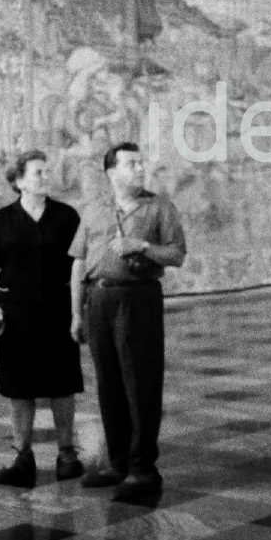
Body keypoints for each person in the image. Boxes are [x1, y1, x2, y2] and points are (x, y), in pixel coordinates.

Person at [69, 142, 187, 502]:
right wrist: (76, 312)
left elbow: (177, 255)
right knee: (109, 384)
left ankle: (143, 469)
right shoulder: (94, 210)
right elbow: (78, 261)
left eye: (140, 163)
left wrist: (141, 246)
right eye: (131, 164)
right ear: (112, 173)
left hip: (138, 299)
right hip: (99, 298)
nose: (139, 169)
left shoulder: (159, 207)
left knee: (141, 383)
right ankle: (117, 463)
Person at [0, 150, 84, 488]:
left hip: (59, 309)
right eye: (37, 172)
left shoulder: (66, 217)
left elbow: (80, 266)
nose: (45, 177)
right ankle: (22, 456)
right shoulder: (2, 220)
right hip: (17, 315)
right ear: (18, 181)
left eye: (46, 171)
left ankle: (67, 453)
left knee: (63, 382)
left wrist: (80, 311)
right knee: (20, 385)